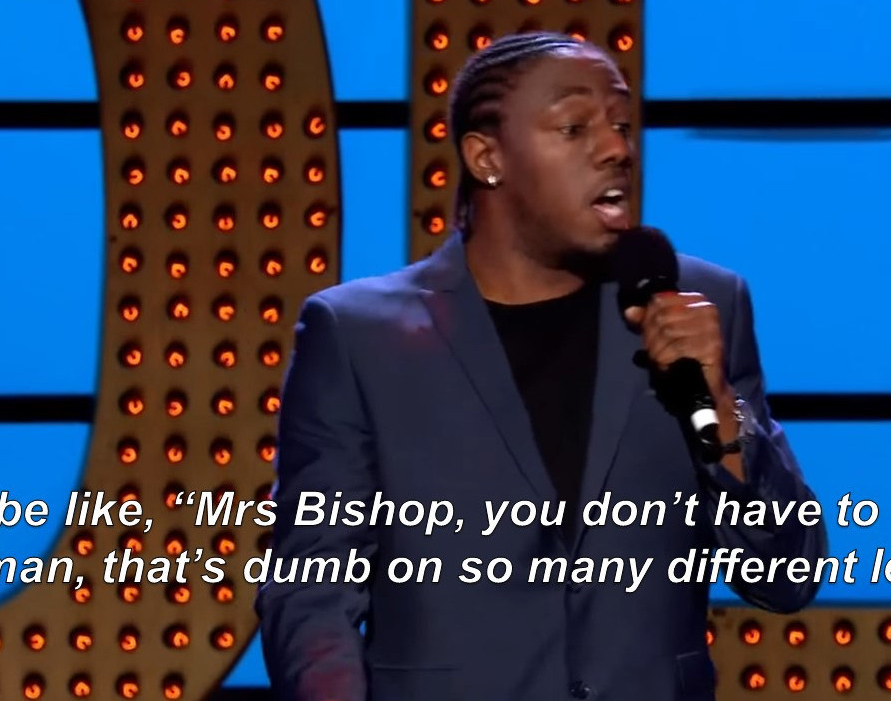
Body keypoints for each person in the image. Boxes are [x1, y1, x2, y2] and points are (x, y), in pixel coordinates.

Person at [256, 31, 828, 701]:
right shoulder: (359, 337)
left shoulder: (703, 305)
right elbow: (311, 595)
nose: (616, 149)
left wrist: (720, 408)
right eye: (575, 127)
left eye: (621, 125)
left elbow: (785, 576)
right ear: (487, 157)